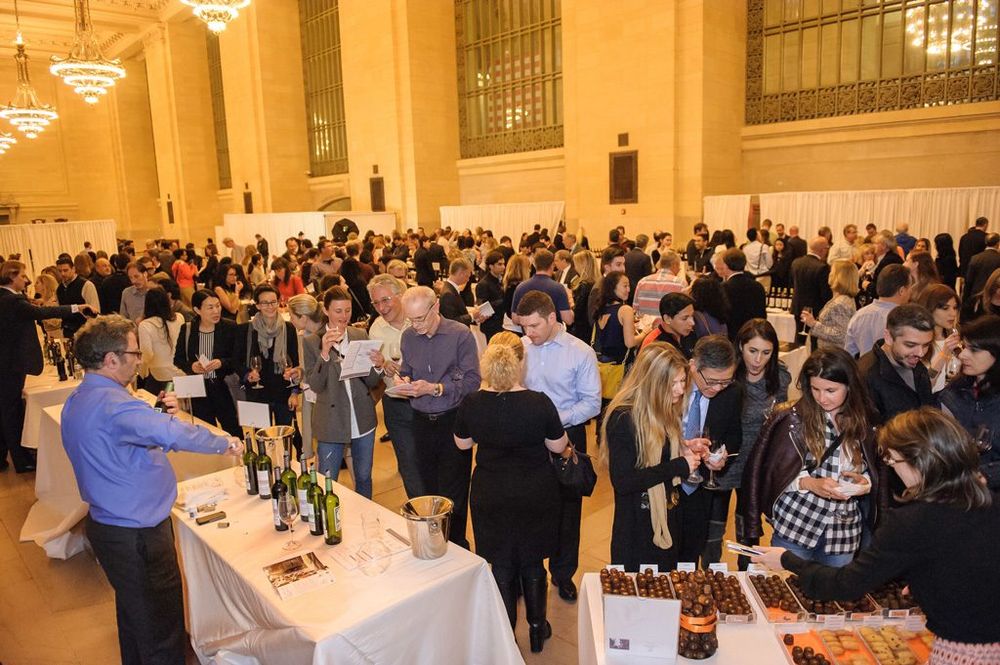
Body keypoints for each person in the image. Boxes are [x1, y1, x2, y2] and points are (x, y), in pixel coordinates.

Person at [61, 314, 242, 665]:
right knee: (161, 632)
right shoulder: (115, 406)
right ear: (111, 359)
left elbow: (126, 441)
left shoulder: (82, 396)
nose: (139, 360)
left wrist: (158, 416)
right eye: (134, 353)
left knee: (135, 620)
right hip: (137, 536)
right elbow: (171, 434)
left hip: (111, 527)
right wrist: (225, 442)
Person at [752, 408, 1000, 663]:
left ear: (920, 461)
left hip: (967, 652)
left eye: (893, 461)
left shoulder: (912, 521)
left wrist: (787, 560)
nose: (893, 471)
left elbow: (846, 584)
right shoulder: (989, 502)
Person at [453, 341, 569, 653]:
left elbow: (462, 444)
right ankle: (537, 628)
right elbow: (558, 446)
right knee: (533, 561)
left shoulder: (472, 403)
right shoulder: (539, 402)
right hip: (535, 490)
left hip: (491, 491)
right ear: (518, 367)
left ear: (486, 369)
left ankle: (508, 636)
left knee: (501, 564)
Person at [743, 347, 885, 566]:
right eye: (815, 389)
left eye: (830, 390)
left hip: (843, 532)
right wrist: (809, 483)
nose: (822, 398)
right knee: (785, 585)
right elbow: (774, 473)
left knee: (835, 587)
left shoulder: (865, 420)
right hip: (797, 524)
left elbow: (874, 468)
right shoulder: (794, 419)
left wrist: (864, 484)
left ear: (850, 386)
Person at [517, 290, 601, 601]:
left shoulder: (580, 352)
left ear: (552, 318)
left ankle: (563, 574)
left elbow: (591, 403)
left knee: (568, 510)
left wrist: (552, 421)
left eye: (534, 325)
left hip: (567, 437)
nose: (529, 333)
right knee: (530, 507)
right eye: (524, 326)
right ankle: (530, 572)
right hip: (528, 439)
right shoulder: (520, 348)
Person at [601, 343, 705, 571]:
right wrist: (678, 465)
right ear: (653, 383)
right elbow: (624, 481)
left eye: (682, 381)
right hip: (637, 527)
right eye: (673, 383)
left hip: (666, 515)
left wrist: (683, 448)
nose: (680, 390)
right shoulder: (623, 418)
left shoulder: (664, 408)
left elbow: (660, 453)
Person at [396, 286, 481, 548]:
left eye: (420, 318)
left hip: (452, 419)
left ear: (436, 308)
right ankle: (436, 544)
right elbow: (406, 369)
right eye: (411, 319)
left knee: (455, 490)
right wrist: (403, 381)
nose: (415, 325)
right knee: (428, 487)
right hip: (420, 421)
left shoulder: (460, 335)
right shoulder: (408, 337)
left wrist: (435, 388)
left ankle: (457, 545)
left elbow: (473, 381)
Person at [0, 260, 95, 472]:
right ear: (12, 277)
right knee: (11, 412)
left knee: (7, 410)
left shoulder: (7, 298)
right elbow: (44, 313)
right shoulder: (11, 301)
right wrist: (77, 307)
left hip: (7, 363)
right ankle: (22, 460)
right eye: (23, 276)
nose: (26, 280)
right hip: (11, 365)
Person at [303, 286, 381, 498]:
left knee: (364, 477)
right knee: (328, 481)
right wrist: (324, 353)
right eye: (338, 311)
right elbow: (316, 385)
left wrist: (377, 366)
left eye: (347, 310)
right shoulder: (312, 341)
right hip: (331, 420)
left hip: (362, 417)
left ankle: (365, 514)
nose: (344, 316)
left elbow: (371, 381)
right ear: (326, 310)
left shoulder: (359, 335)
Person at [729, 319, 790, 569]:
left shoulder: (780, 378)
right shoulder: (729, 374)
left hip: (758, 462)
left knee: (749, 527)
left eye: (766, 353)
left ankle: (747, 574)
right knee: (712, 528)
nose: (757, 360)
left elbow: (782, 420)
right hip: (727, 459)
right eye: (752, 351)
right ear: (740, 347)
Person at [679, 335, 743, 567]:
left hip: (701, 485)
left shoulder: (732, 392)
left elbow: (734, 435)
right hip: (664, 480)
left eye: (725, 382)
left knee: (691, 551)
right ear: (693, 365)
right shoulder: (672, 385)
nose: (717, 388)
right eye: (712, 381)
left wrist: (722, 456)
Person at [366, 275, 423, 498]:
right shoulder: (376, 330)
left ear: (400, 295)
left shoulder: (419, 318)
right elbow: (375, 372)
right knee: (409, 465)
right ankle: (420, 510)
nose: (381, 308)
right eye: (376, 303)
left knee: (430, 459)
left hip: (426, 401)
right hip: (397, 404)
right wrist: (382, 367)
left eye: (386, 300)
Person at [234, 285, 301, 454]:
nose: (270, 306)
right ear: (257, 305)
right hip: (257, 394)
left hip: (282, 392)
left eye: (273, 302)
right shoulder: (245, 330)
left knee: (285, 441)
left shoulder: (288, 328)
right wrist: (247, 374)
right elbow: (236, 361)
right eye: (265, 303)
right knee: (262, 442)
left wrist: (294, 392)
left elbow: (295, 363)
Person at [940, 314, 1000, 490]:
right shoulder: (954, 392)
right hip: (955, 487)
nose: (963, 355)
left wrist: (986, 475)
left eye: (974, 349)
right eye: (964, 347)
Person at [173, 289, 241, 437]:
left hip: (223, 387)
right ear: (197, 310)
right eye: (210, 307)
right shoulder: (188, 329)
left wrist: (221, 363)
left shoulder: (230, 327)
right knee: (205, 432)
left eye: (218, 305)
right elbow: (178, 359)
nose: (216, 311)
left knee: (233, 430)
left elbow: (238, 358)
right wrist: (191, 366)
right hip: (198, 389)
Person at [857, 304, 937, 425]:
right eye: (910, 345)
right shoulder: (866, 375)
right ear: (888, 337)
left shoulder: (915, 364)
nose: (920, 353)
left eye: (926, 345)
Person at [845, 264, 911, 357]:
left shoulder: (859, 315)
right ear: (902, 291)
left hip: (864, 365)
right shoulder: (904, 320)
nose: (911, 292)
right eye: (910, 287)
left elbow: (849, 354)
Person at [914, 284, 962, 393]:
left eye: (955, 308)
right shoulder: (917, 343)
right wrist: (944, 354)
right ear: (929, 309)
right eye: (945, 308)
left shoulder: (957, 338)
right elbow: (923, 386)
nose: (953, 313)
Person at [800, 260, 859, 350]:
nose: (829, 274)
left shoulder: (840, 303)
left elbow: (840, 335)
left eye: (832, 272)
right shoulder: (843, 298)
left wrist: (813, 324)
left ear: (839, 277)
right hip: (831, 352)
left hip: (833, 354)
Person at [136, 287, 183, 395]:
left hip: (159, 376)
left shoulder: (145, 325)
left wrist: (140, 372)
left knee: (156, 403)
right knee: (179, 405)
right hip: (181, 373)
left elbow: (147, 354)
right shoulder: (179, 318)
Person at [512, 249, 574, 326]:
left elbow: (515, 319)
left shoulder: (521, 287)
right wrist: (570, 302)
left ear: (534, 264)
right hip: (552, 331)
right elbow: (568, 319)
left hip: (529, 331)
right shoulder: (558, 288)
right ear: (552, 265)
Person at [716, 248, 766, 342]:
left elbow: (721, 316)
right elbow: (762, 314)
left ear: (726, 266)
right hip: (754, 334)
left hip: (732, 336)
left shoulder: (723, 288)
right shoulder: (758, 286)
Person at [790, 237, 832, 336]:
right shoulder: (822, 267)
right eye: (827, 248)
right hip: (814, 310)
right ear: (822, 250)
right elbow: (825, 293)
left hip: (797, 307)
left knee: (799, 339)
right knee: (813, 340)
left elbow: (791, 283)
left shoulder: (796, 262)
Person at [56, 256, 101, 338]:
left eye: (65, 270)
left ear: (73, 269)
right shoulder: (59, 289)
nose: (62, 274)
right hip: (67, 333)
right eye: (60, 271)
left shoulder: (86, 285)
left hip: (85, 333)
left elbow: (95, 312)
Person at [642, 292, 697, 357]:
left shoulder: (691, 334)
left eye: (692, 316)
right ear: (667, 319)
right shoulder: (653, 344)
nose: (692, 323)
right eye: (685, 318)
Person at [632, 251, 685, 318]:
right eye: (679, 265)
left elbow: (635, 310)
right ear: (674, 265)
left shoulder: (642, 282)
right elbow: (684, 313)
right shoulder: (680, 283)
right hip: (668, 324)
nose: (679, 269)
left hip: (646, 324)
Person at [961, 232, 1000, 317]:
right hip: (994, 298)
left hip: (976, 297)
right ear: (997, 244)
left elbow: (968, 281)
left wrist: (964, 302)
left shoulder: (975, 258)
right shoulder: (998, 258)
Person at [863, 231, 903, 301]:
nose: (873, 246)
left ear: (883, 246)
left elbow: (883, 287)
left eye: (876, 243)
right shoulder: (889, 257)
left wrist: (868, 285)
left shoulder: (888, 260)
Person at [475, 250, 506, 341]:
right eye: (499, 264)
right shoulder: (483, 284)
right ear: (491, 266)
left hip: (502, 323)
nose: (503, 267)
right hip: (491, 326)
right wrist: (503, 301)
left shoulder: (501, 280)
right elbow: (483, 310)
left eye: (504, 264)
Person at [439, 258, 480, 326]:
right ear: (461, 274)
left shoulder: (450, 289)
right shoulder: (448, 294)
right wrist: (472, 316)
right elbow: (451, 322)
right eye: (467, 276)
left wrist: (473, 316)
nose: (468, 280)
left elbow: (457, 312)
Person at [568, 250, 599, 342]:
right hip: (591, 329)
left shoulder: (584, 285)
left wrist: (570, 304)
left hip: (582, 331)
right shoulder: (597, 283)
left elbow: (578, 312)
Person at [624, 234, 653, 304]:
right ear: (645, 245)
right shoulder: (645, 257)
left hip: (627, 288)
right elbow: (648, 276)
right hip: (640, 289)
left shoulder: (625, 255)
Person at [958, 216, 989, 282]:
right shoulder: (986, 237)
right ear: (985, 224)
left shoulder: (964, 237)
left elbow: (960, 253)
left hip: (965, 269)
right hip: (980, 270)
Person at [743, 228, 773, 292]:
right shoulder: (764, 247)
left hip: (750, 277)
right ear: (757, 236)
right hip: (763, 276)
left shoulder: (745, 248)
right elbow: (769, 263)